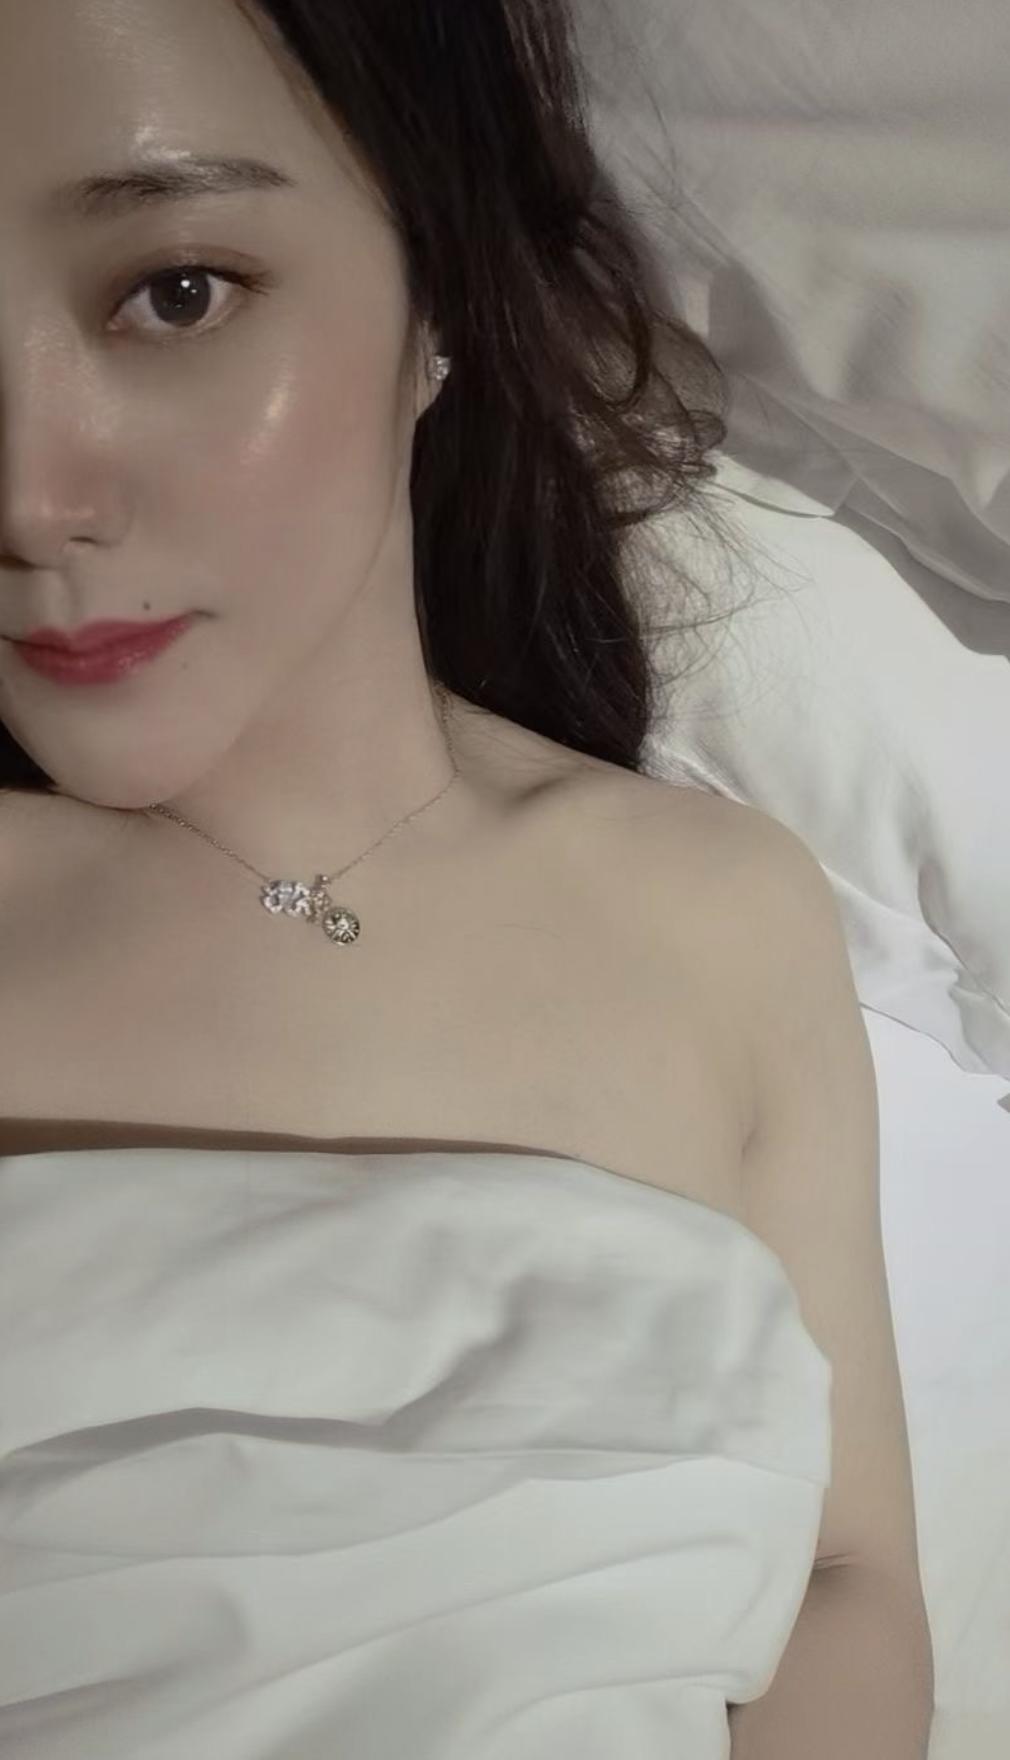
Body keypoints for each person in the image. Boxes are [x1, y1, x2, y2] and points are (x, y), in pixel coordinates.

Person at [0, 4, 913, 1757]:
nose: (28, 490)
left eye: (175, 291)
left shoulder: (718, 918)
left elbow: (842, 1580)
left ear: (439, 295)